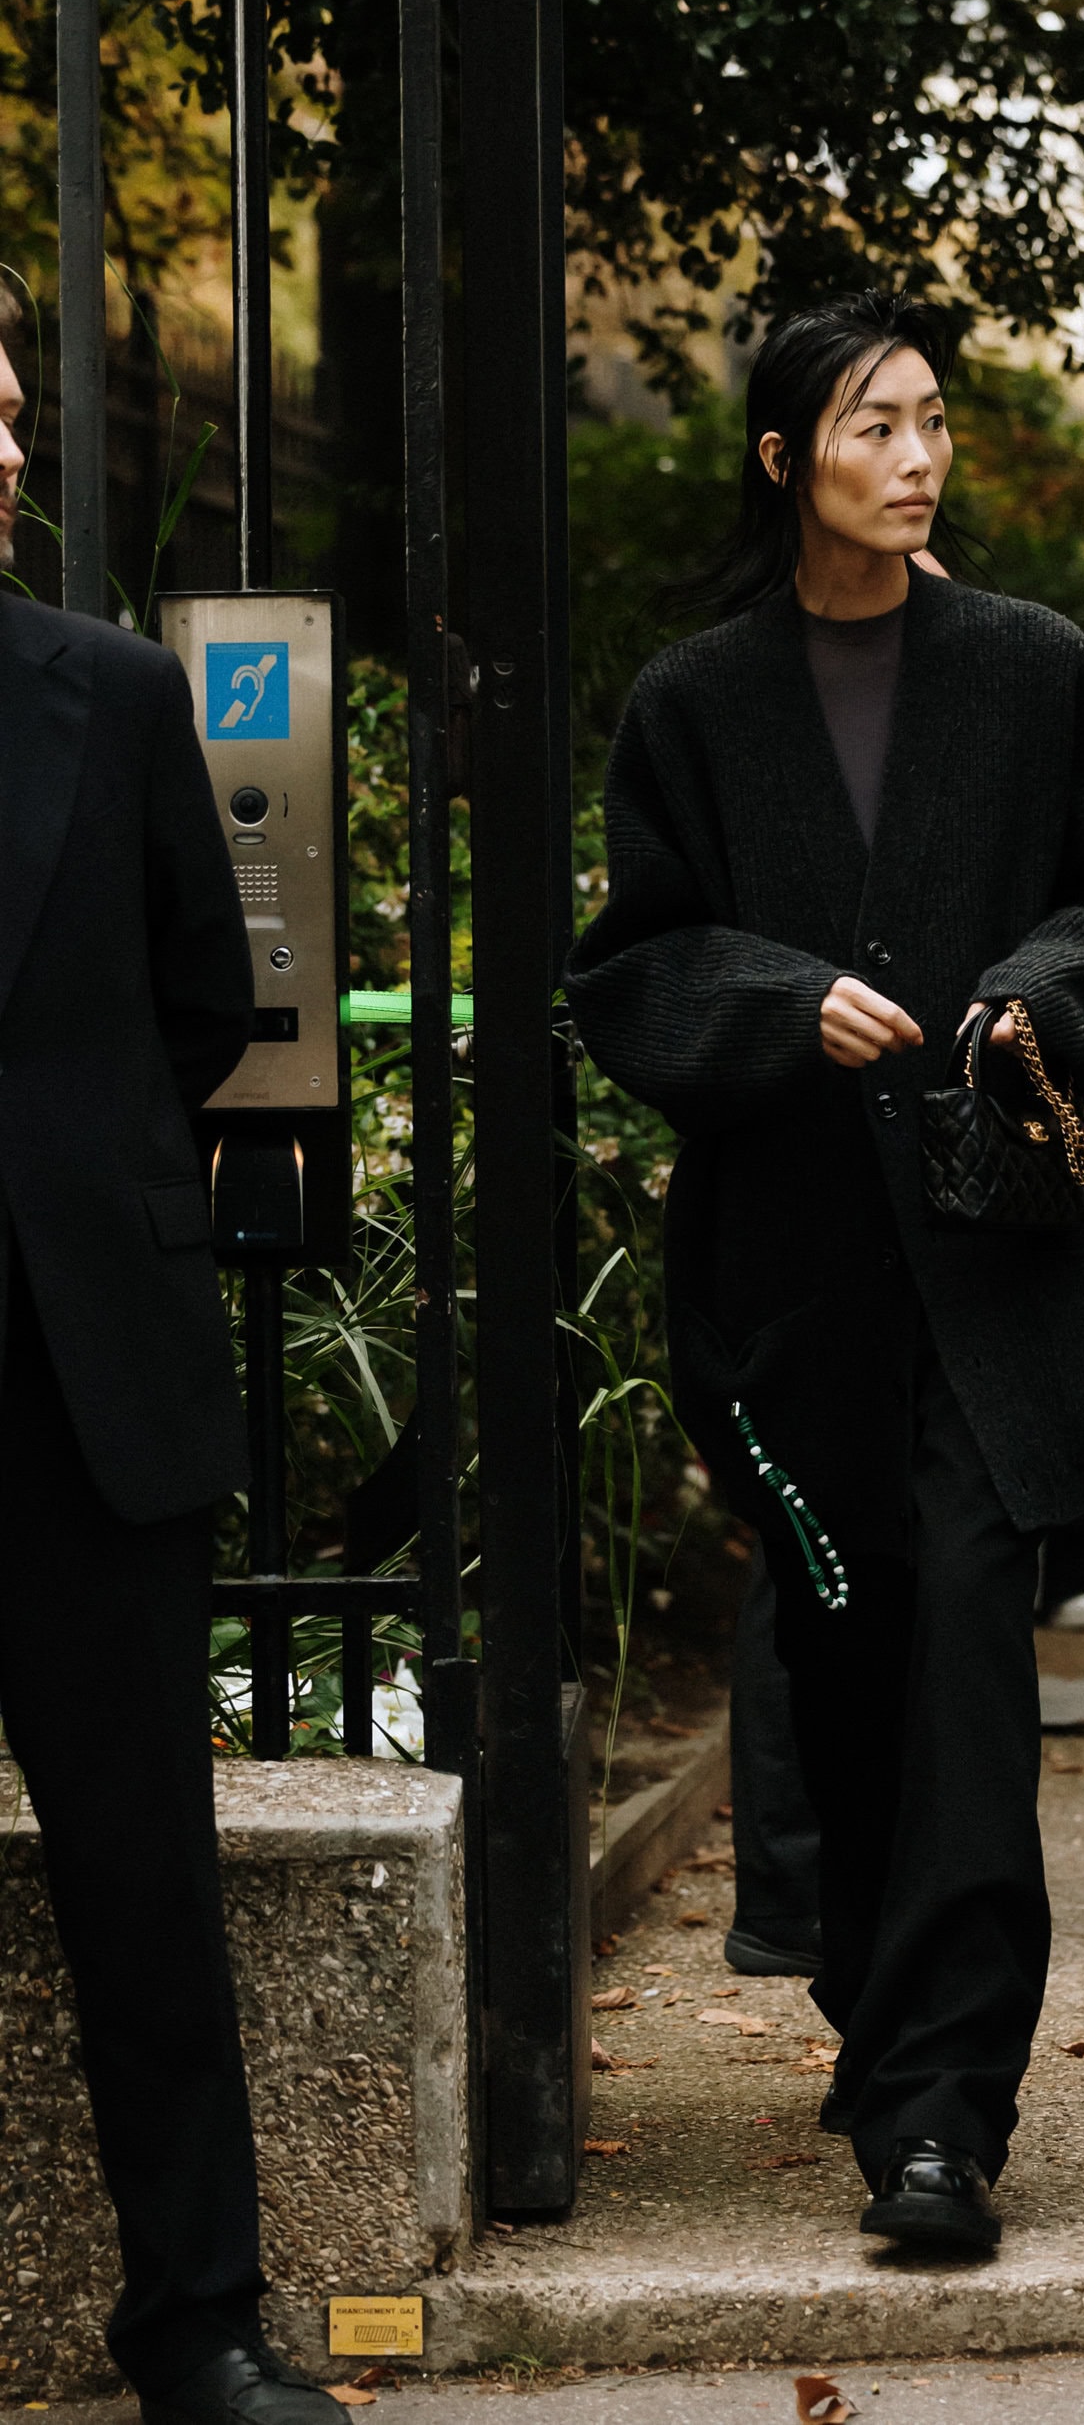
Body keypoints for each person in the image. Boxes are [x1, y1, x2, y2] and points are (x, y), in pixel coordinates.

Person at [566, 289, 1084, 2249]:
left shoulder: (1032, 668)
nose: (918, 456)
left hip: (993, 1272)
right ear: (787, 460)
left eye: (933, 418)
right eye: (875, 425)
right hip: (792, 1291)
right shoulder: (694, 701)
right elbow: (630, 968)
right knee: (846, 1664)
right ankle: (884, 2021)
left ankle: (946, 2116)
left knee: (964, 1666)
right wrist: (781, 1002)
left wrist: (1032, 996)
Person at [0, 289, 341, 2425]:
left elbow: (211, 997)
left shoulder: (112, 692)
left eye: (10, 410)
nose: (6, 446)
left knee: (144, 1873)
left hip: (85, 1384)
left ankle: (199, 2323)